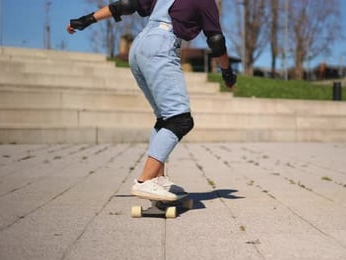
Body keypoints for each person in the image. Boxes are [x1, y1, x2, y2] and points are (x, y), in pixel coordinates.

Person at [67, 0, 236, 201]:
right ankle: (145, 181)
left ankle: (158, 178)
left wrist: (87, 19)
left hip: (139, 46)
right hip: (161, 46)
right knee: (180, 120)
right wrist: (227, 72)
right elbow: (216, 40)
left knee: (165, 118)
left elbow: (126, 5)